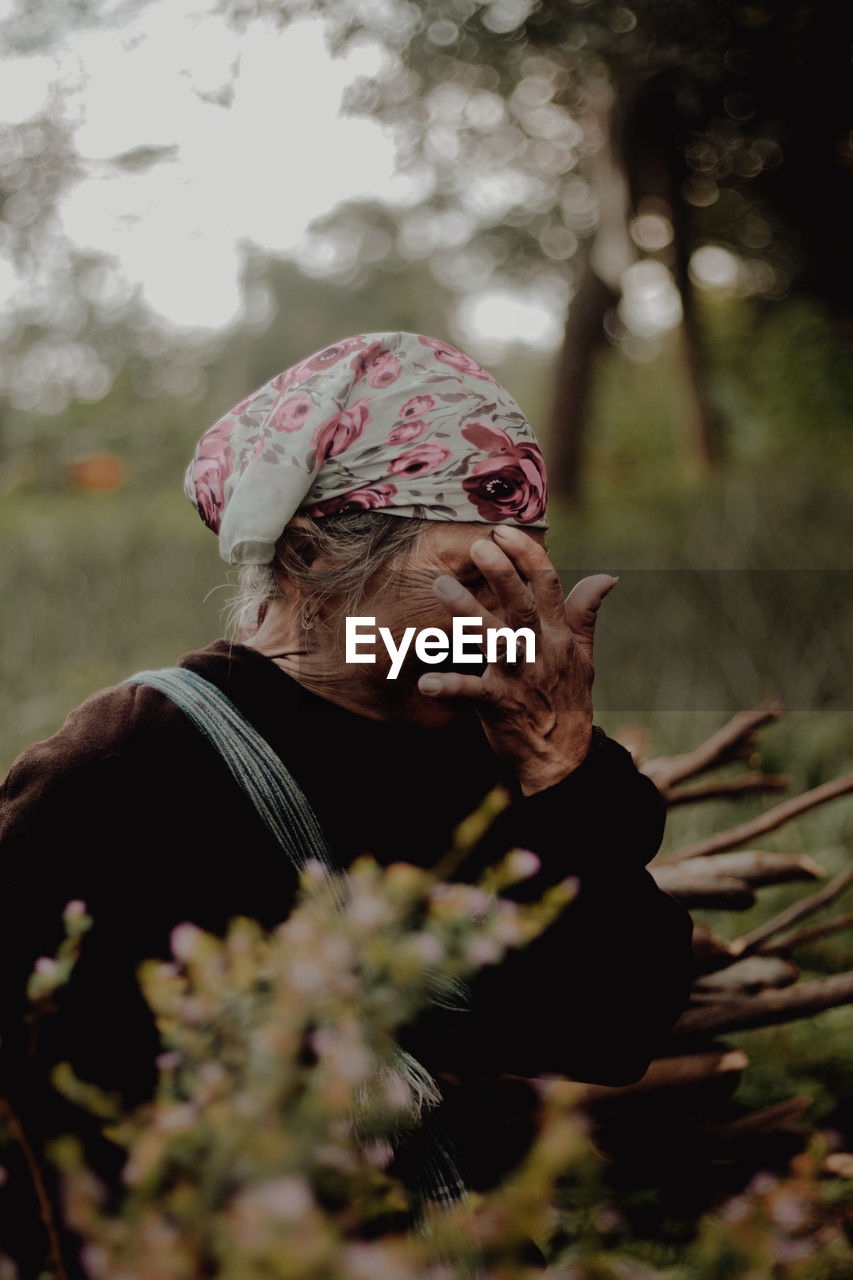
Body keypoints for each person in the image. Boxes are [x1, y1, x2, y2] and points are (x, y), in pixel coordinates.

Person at [0, 331, 695, 1275]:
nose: (505, 623)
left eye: (521, 575)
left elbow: (615, 1027)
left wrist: (559, 770)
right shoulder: (121, 766)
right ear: (310, 551)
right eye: (470, 578)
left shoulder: (502, 739)